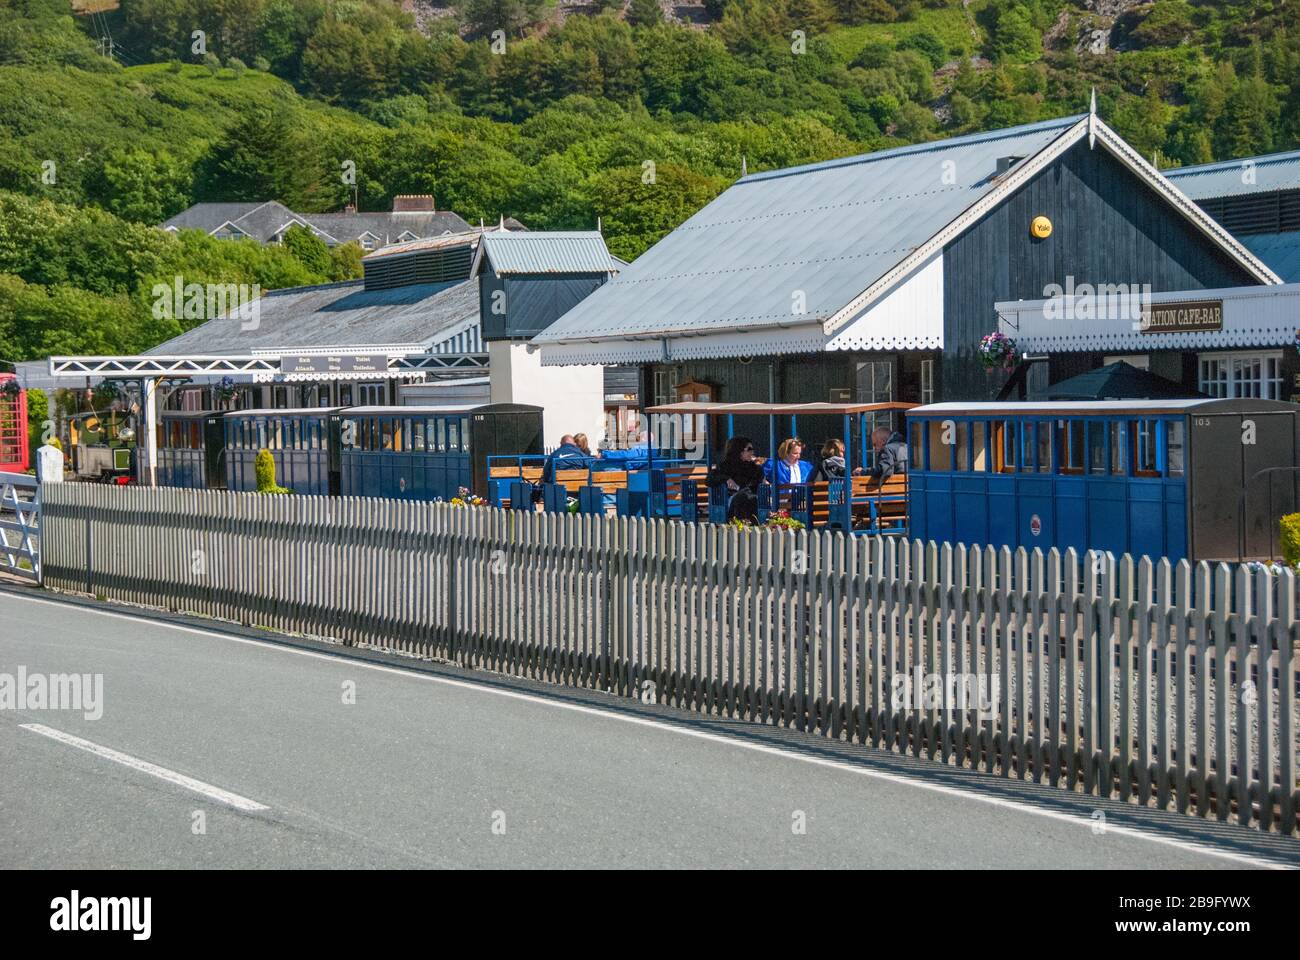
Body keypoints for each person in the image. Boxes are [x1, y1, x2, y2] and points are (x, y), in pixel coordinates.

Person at [706, 436, 763, 521]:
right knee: (742, 497)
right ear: (739, 450)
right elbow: (709, 479)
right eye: (749, 449)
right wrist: (726, 478)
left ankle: (754, 525)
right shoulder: (726, 466)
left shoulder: (755, 468)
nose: (752, 452)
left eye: (752, 449)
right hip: (731, 501)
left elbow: (756, 484)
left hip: (751, 498)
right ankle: (741, 525)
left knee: (752, 498)